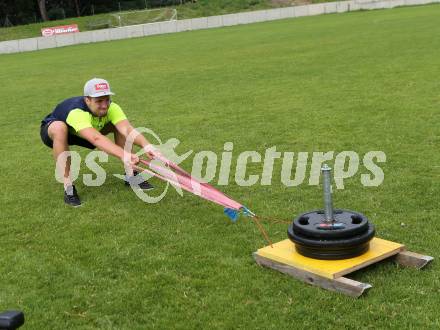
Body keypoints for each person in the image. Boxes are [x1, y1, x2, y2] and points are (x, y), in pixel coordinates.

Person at [40, 78, 155, 207]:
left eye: (107, 99)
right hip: (57, 131)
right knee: (59, 128)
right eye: (99, 101)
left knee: (117, 125)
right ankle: (69, 188)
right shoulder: (77, 112)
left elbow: (127, 129)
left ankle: (131, 175)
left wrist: (147, 145)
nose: (104, 105)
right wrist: (124, 155)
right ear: (87, 100)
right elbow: (96, 138)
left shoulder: (113, 107)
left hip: (89, 130)